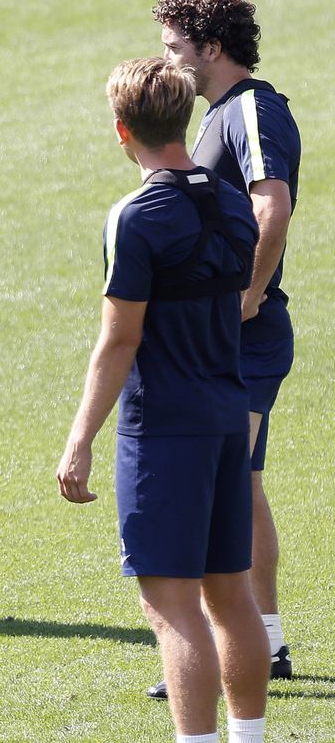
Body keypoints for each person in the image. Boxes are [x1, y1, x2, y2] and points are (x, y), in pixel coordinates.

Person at [56, 58, 267, 743]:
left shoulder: (135, 217)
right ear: (182, 118)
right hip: (227, 420)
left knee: (173, 607)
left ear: (123, 130)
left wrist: (80, 438)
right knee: (232, 596)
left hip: (164, 433)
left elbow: (120, 340)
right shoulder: (234, 202)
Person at [142, 0, 300, 699]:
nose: (166, 61)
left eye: (175, 48)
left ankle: (217, 650)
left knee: (218, 487)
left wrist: (249, 293)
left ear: (211, 47)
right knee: (242, 481)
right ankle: (261, 641)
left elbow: (273, 206)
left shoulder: (253, 111)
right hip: (226, 338)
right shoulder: (219, 115)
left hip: (248, 336)